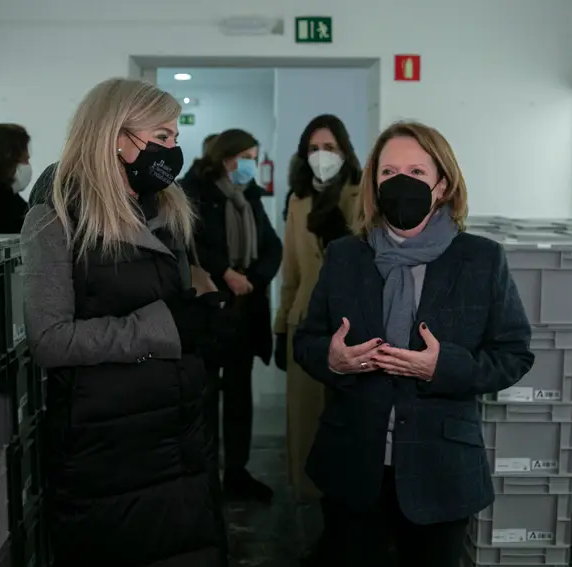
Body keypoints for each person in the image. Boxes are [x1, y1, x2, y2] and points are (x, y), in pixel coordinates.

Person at [292, 121, 535, 567]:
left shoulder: (480, 259)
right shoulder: (347, 255)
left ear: (442, 185)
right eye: (388, 173)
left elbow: (513, 354)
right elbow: (306, 341)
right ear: (374, 184)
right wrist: (334, 358)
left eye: (417, 173)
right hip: (352, 466)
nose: (401, 183)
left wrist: (441, 367)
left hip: (441, 471)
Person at [21, 77, 229, 567]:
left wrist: (204, 316)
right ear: (116, 135)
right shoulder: (56, 218)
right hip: (108, 451)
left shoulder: (165, 208)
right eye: (161, 137)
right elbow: (49, 340)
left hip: (177, 435)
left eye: (175, 137)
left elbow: (175, 303)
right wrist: (165, 327)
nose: (173, 150)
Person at [273, 114, 362, 563]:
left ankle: (348, 523)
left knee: (347, 429)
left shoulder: (361, 194)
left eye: (328, 146)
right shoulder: (298, 199)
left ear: (344, 150)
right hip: (305, 324)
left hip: (352, 329)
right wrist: (279, 325)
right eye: (312, 148)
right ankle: (322, 518)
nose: (320, 155)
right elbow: (290, 269)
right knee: (308, 428)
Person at [180, 128, 283, 502]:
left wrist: (252, 279)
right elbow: (190, 242)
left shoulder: (248, 195)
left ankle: (237, 472)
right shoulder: (191, 191)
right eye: (249, 157)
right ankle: (204, 477)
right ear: (228, 158)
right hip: (207, 309)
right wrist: (225, 271)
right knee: (204, 397)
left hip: (243, 309)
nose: (253, 165)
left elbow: (272, 245)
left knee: (240, 395)